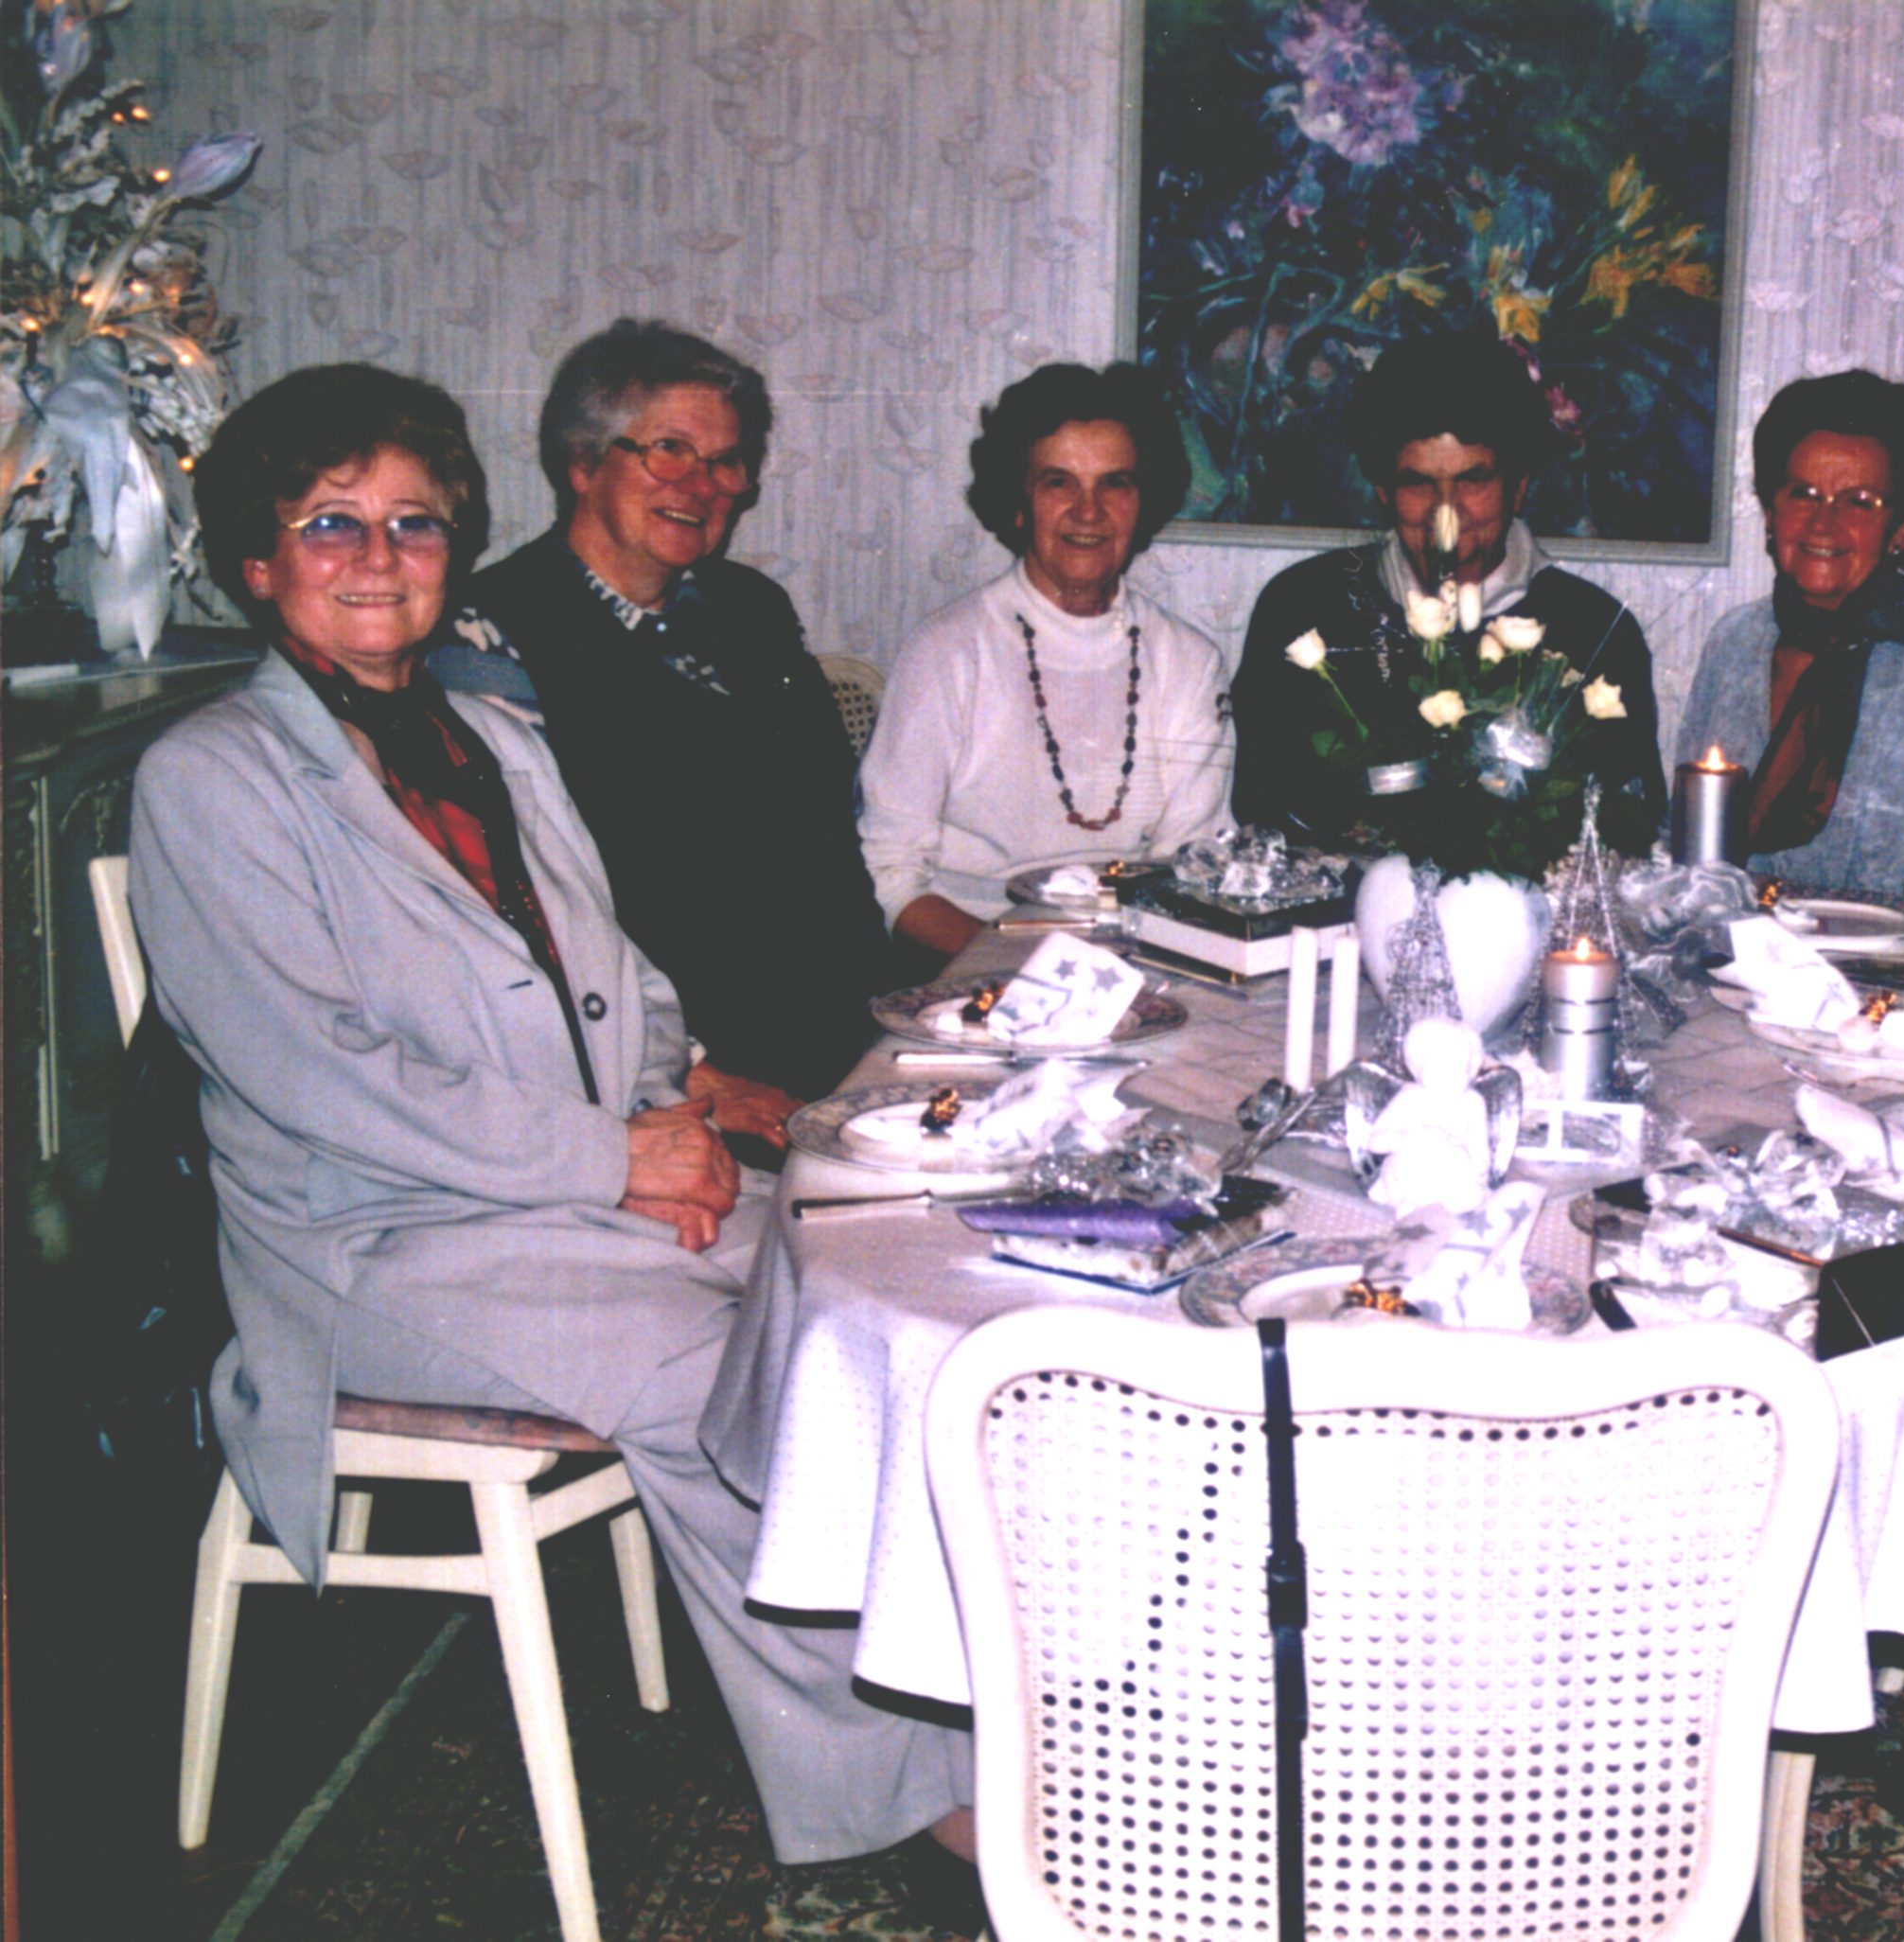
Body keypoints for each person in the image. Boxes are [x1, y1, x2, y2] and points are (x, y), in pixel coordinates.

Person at [132, 365, 971, 1873]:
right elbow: (324, 1080)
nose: (381, 557)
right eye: (331, 525)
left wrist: (677, 1100)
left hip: (549, 1197)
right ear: (256, 564)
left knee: (857, 1287)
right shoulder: (211, 780)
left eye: (414, 523)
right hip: (371, 1248)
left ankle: (989, 1702)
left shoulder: (490, 739)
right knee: (719, 1382)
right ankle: (916, 1795)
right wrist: (613, 1158)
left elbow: (613, 963)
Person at [430, 318, 888, 1130]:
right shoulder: (488, 635)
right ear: (580, 463)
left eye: (725, 462)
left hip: (834, 1035)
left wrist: (892, 1019)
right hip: (661, 1074)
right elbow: (525, 907)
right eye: (669, 450)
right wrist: (692, 1073)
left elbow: (832, 833)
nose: (701, 485)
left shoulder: (752, 610)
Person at [856, 362, 1231, 960]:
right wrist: (1017, 966)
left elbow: (1192, 863)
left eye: (1115, 484)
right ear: (1017, 503)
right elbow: (890, 871)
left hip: (1131, 959)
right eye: (1059, 483)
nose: (1089, 512)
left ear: (1144, 503)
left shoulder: (1189, 662)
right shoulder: (946, 651)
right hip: (963, 954)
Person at [1228, 332, 1666, 843]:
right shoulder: (1302, 607)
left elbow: (1629, 819)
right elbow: (1262, 804)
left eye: (1473, 480)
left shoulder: (1596, 629)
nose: (1446, 515)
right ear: (1383, 492)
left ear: (1518, 487)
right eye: (1417, 483)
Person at [1676, 371, 1904, 892]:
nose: (1823, 524)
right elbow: (1685, 840)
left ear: (1903, 529)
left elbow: (1888, 892)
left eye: (1859, 501)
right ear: (1771, 513)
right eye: (1803, 494)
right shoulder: (1736, 641)